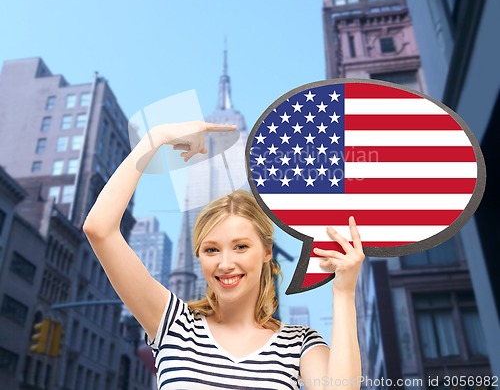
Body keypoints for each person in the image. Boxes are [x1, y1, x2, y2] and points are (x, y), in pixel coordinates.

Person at [83, 120, 365, 390]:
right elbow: (99, 229)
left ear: (266, 252)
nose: (225, 263)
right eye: (211, 250)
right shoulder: (174, 325)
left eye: (241, 246)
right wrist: (156, 137)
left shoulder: (298, 343)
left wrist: (343, 292)